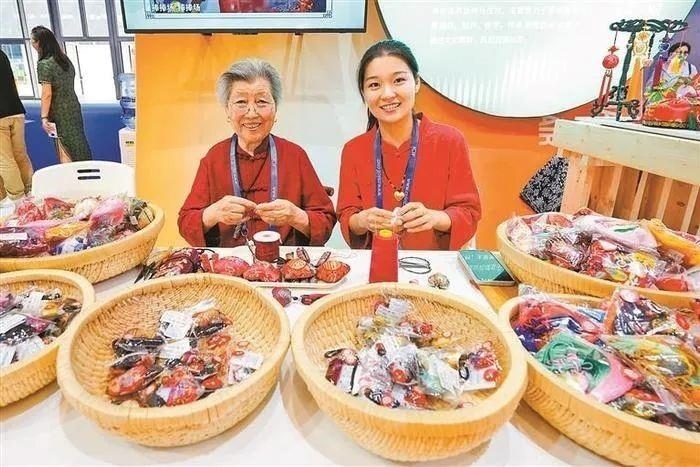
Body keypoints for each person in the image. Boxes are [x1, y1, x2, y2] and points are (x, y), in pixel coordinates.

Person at [336, 39, 481, 250]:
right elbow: (347, 215)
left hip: (434, 264)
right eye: (374, 85)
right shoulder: (354, 150)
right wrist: (363, 220)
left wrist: (434, 217)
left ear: (417, 82)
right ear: (364, 92)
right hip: (379, 261)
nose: (387, 94)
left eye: (398, 80)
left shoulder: (449, 140)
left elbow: (468, 212)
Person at [178, 58, 336, 247]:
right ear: (227, 110)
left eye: (261, 101)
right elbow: (185, 223)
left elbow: (326, 221)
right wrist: (213, 213)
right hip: (229, 262)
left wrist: (296, 216)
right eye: (241, 102)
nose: (252, 113)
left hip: (284, 260)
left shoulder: (295, 155)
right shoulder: (214, 158)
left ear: (275, 109)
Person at [31, 26, 92, 163]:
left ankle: (70, 174)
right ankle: (87, 168)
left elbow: (47, 93)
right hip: (73, 107)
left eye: (33, 41)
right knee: (78, 143)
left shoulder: (44, 64)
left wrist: (44, 117)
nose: (32, 44)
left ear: (40, 43)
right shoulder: (64, 60)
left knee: (63, 144)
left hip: (59, 111)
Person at [0, 49, 33, 202]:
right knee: (20, 155)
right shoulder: (2, 54)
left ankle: (18, 198)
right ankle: (31, 191)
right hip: (17, 111)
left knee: (5, 160)